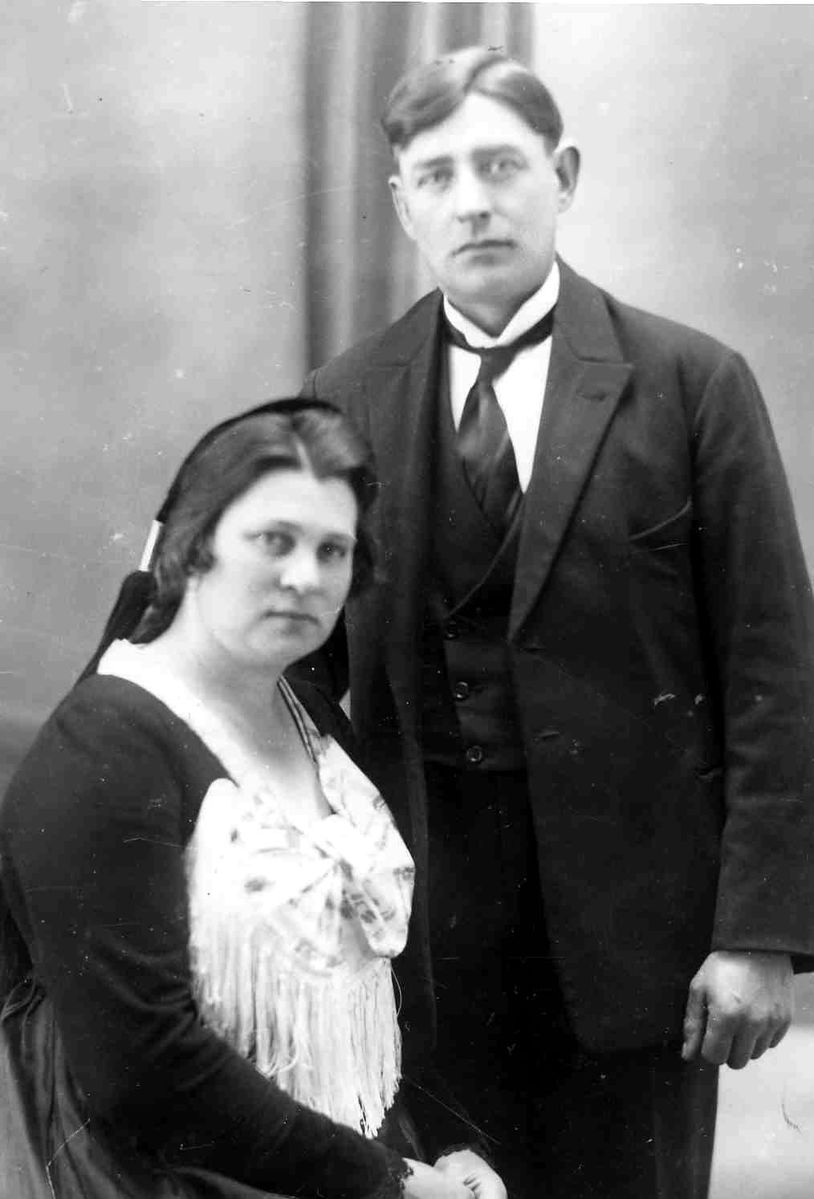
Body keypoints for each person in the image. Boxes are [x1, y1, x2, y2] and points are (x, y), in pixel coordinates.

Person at [298, 47, 814, 1199]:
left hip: (639, 943)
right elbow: (299, 676)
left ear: (562, 175)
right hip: (420, 941)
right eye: (437, 176)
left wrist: (757, 931)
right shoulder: (342, 397)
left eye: (500, 166)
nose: (471, 201)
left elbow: (774, 671)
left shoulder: (690, 383)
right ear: (402, 204)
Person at [0, 399, 500, 1199]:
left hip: (353, 1165)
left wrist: (451, 1140)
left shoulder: (313, 716)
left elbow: (373, 977)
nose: (305, 576)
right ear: (194, 547)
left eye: (332, 549)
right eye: (274, 540)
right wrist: (390, 1181)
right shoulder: (107, 744)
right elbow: (144, 1076)